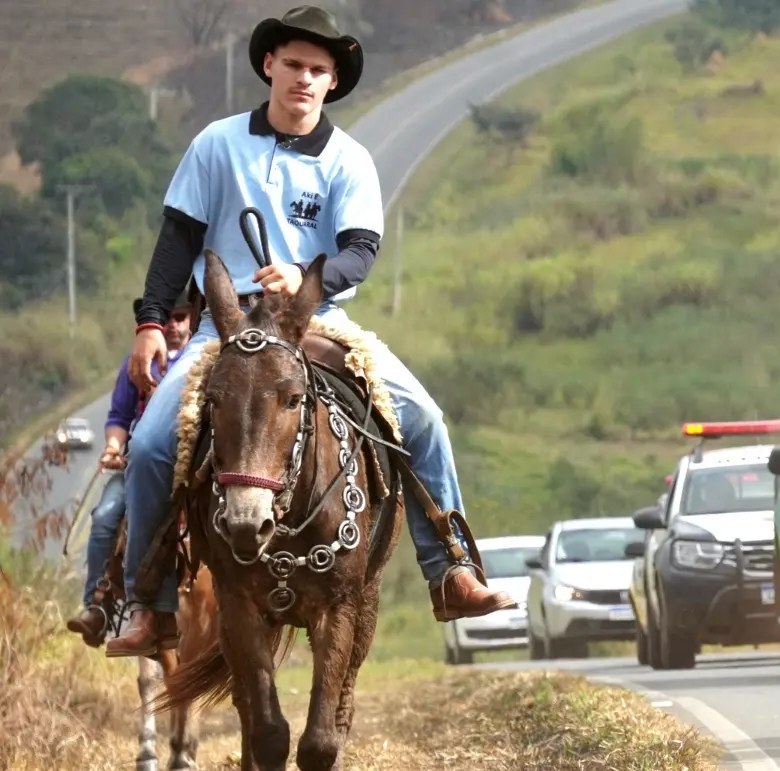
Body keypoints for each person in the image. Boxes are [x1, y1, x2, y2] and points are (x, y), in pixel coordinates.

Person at [107, 6, 513, 658]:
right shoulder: (216, 144)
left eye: (318, 70)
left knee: (426, 420)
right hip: (225, 323)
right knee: (154, 446)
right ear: (269, 64)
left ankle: (452, 571)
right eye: (294, 64)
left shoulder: (348, 159)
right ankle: (146, 605)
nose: (304, 78)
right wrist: (151, 323)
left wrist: (302, 275)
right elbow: (177, 239)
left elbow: (359, 250)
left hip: (318, 320)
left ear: (331, 82)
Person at [66, 295, 193, 647]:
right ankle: (98, 606)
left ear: (193, 319)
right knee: (106, 515)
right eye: (167, 318)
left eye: (181, 317)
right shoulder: (136, 364)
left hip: (196, 466)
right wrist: (112, 447)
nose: (173, 325)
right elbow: (119, 418)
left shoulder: (204, 361)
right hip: (138, 464)